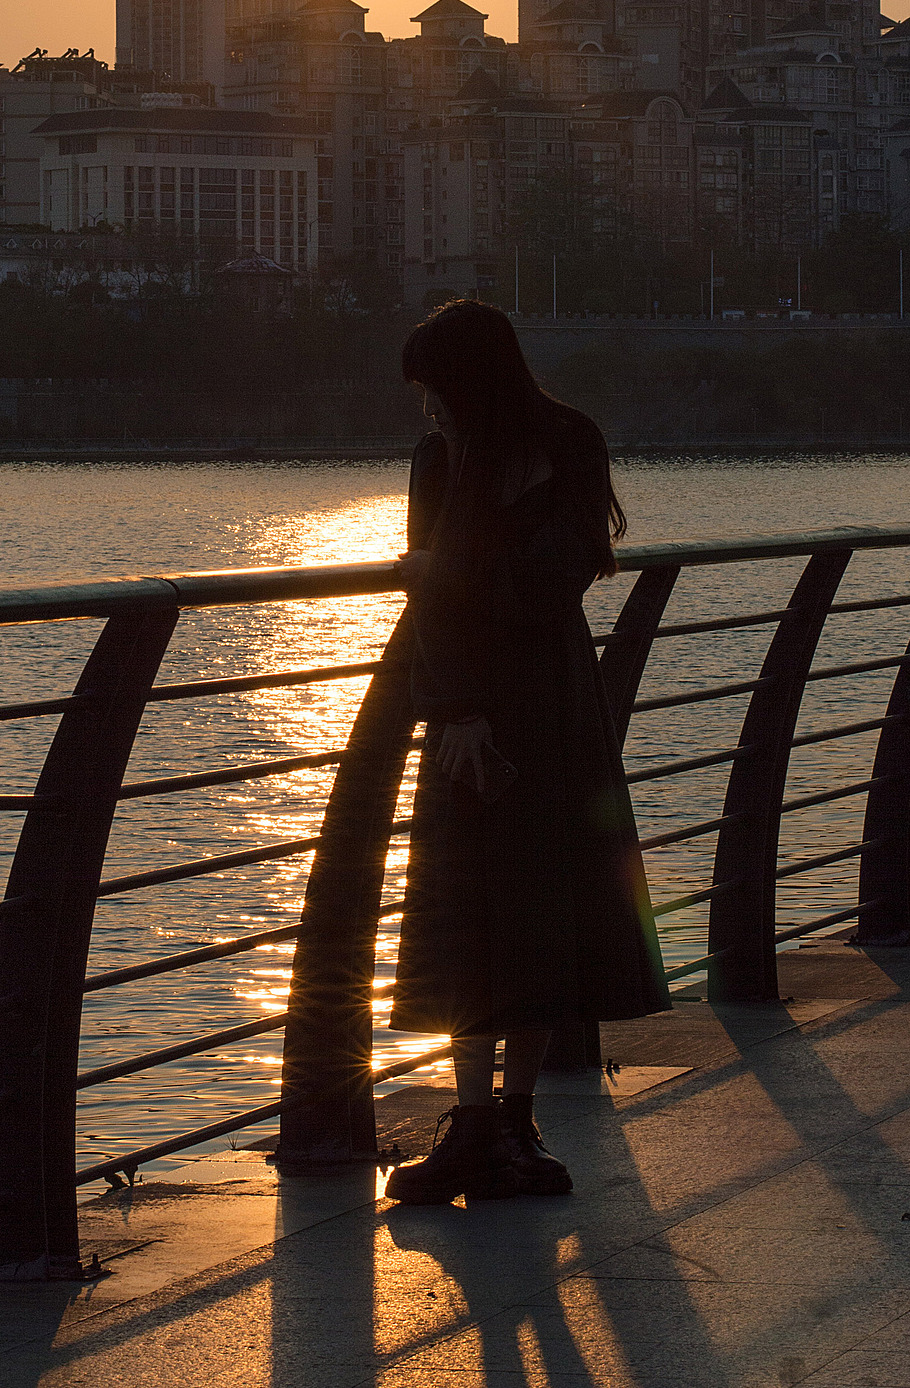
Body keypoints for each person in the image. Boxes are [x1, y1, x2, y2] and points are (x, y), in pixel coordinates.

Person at [383, 299, 669, 1206]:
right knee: (467, 909)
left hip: (548, 700)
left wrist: (455, 575)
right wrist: (452, 710)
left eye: (436, 390)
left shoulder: (569, 442)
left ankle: (514, 1120)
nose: (428, 410)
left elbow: (561, 572)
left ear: (471, 380)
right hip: (474, 707)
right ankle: (475, 1125)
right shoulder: (440, 459)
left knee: (546, 905)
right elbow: (432, 600)